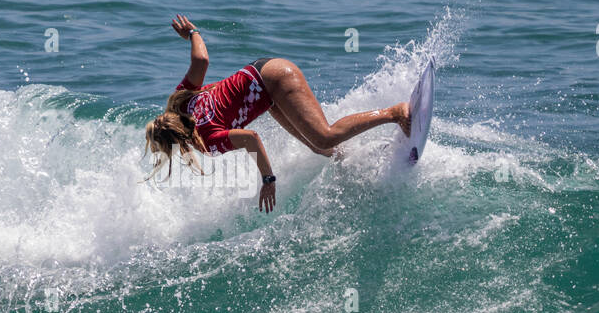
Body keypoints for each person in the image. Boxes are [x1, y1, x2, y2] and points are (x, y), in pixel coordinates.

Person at [145, 15, 410, 212]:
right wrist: (192, 32)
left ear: (176, 144)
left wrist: (268, 179)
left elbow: (251, 138)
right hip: (264, 83)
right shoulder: (178, 101)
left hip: (274, 81)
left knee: (324, 137)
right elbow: (201, 61)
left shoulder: (207, 140)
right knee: (321, 149)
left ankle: (395, 113)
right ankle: (362, 162)